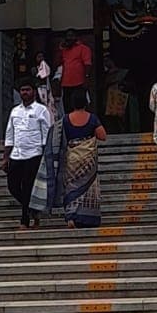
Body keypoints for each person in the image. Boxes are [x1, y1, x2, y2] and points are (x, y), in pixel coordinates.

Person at [2, 80, 52, 230]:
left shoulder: (41, 110)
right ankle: (33, 209)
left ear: (34, 92)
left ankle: (24, 220)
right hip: (16, 154)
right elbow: (10, 134)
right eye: (22, 90)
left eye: (27, 89)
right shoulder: (15, 111)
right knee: (12, 186)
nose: (24, 92)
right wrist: (6, 157)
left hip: (34, 154)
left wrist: (46, 154)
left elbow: (47, 133)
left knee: (28, 186)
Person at [61, 87, 107, 227]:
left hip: (72, 158)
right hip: (88, 159)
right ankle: (87, 218)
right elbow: (102, 136)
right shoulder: (92, 118)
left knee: (71, 186)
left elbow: (61, 138)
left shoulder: (65, 119)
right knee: (88, 186)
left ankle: (71, 216)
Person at [57, 31, 93, 103]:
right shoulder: (64, 49)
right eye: (67, 36)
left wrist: (87, 78)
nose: (69, 38)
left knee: (79, 103)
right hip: (65, 82)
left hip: (79, 82)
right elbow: (57, 62)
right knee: (67, 104)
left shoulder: (83, 48)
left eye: (71, 36)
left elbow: (87, 64)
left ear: (76, 37)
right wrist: (61, 49)